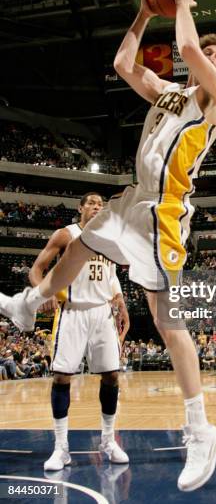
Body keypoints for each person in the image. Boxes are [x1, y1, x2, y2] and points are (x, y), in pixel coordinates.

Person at [0, 0, 216, 491]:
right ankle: (30, 302)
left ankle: (201, 430)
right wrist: (145, 12)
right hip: (134, 200)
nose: (210, 60)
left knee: (167, 322)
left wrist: (183, 3)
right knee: (82, 243)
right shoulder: (170, 93)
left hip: (164, 214)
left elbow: (188, 45)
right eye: (210, 56)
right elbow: (122, 65)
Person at [29, 192, 130, 471]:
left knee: (111, 375)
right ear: (80, 208)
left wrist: (120, 300)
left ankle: (108, 441)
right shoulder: (66, 234)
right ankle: (61, 448)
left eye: (100, 204)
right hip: (72, 311)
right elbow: (36, 269)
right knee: (62, 378)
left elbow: (110, 275)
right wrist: (41, 293)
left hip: (102, 312)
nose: (97, 207)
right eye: (91, 203)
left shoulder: (110, 238)